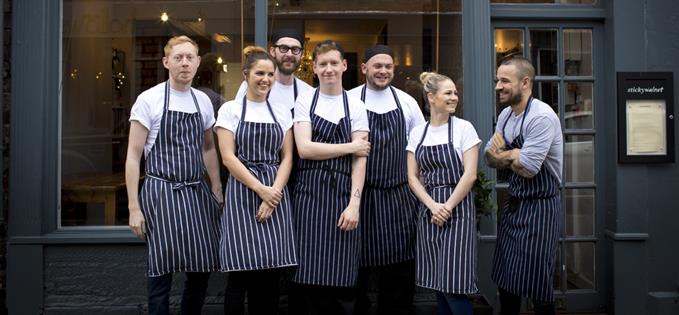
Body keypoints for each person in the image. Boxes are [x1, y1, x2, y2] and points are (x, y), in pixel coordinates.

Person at [125, 35, 223, 315]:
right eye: (178, 57)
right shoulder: (149, 100)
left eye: (190, 57)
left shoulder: (203, 101)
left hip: (197, 192)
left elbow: (208, 149)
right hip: (162, 191)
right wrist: (134, 207)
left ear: (198, 62)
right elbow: (133, 156)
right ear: (166, 62)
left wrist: (216, 188)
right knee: (162, 267)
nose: (184, 63)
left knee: (202, 264)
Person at [215, 46, 298, 315]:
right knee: (239, 274)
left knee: (270, 276)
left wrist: (273, 193)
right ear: (246, 75)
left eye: (270, 74)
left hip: (276, 191)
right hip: (243, 192)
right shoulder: (230, 110)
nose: (266, 79)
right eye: (260, 73)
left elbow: (287, 158)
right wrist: (260, 189)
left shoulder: (282, 110)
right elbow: (228, 158)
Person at [291, 40, 370, 315]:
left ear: (344, 66)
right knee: (307, 279)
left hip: (343, 196)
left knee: (343, 278)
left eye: (334, 63)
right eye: (322, 64)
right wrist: (350, 146)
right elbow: (305, 149)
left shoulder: (356, 105)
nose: (328, 69)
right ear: (314, 68)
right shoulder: (304, 100)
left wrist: (354, 204)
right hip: (308, 195)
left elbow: (361, 160)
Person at [347, 45, 424, 315]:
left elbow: (418, 151)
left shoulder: (407, 102)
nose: (383, 71)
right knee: (357, 269)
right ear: (365, 68)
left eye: (388, 67)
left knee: (400, 269)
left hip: (399, 196)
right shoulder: (350, 100)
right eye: (377, 66)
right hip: (361, 196)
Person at [486, 57, 563, 315]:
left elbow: (529, 169)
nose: (498, 86)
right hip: (515, 205)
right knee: (507, 278)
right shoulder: (506, 115)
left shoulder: (541, 117)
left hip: (541, 208)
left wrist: (505, 154)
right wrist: (514, 154)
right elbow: (490, 157)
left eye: (505, 80)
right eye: (498, 80)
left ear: (526, 83)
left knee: (538, 283)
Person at [406, 72, 480, 315]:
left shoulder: (463, 128)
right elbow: (412, 178)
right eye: (448, 92)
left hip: (457, 210)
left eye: (455, 93)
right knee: (438, 283)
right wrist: (432, 206)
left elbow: (469, 175)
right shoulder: (418, 132)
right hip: (429, 211)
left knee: (453, 285)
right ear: (431, 97)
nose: (454, 97)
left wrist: (446, 207)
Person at [234, 28, 314, 118]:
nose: (289, 54)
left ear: (301, 54)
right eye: (284, 48)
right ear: (272, 51)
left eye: (295, 49)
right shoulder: (250, 86)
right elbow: (236, 118)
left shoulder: (309, 93)